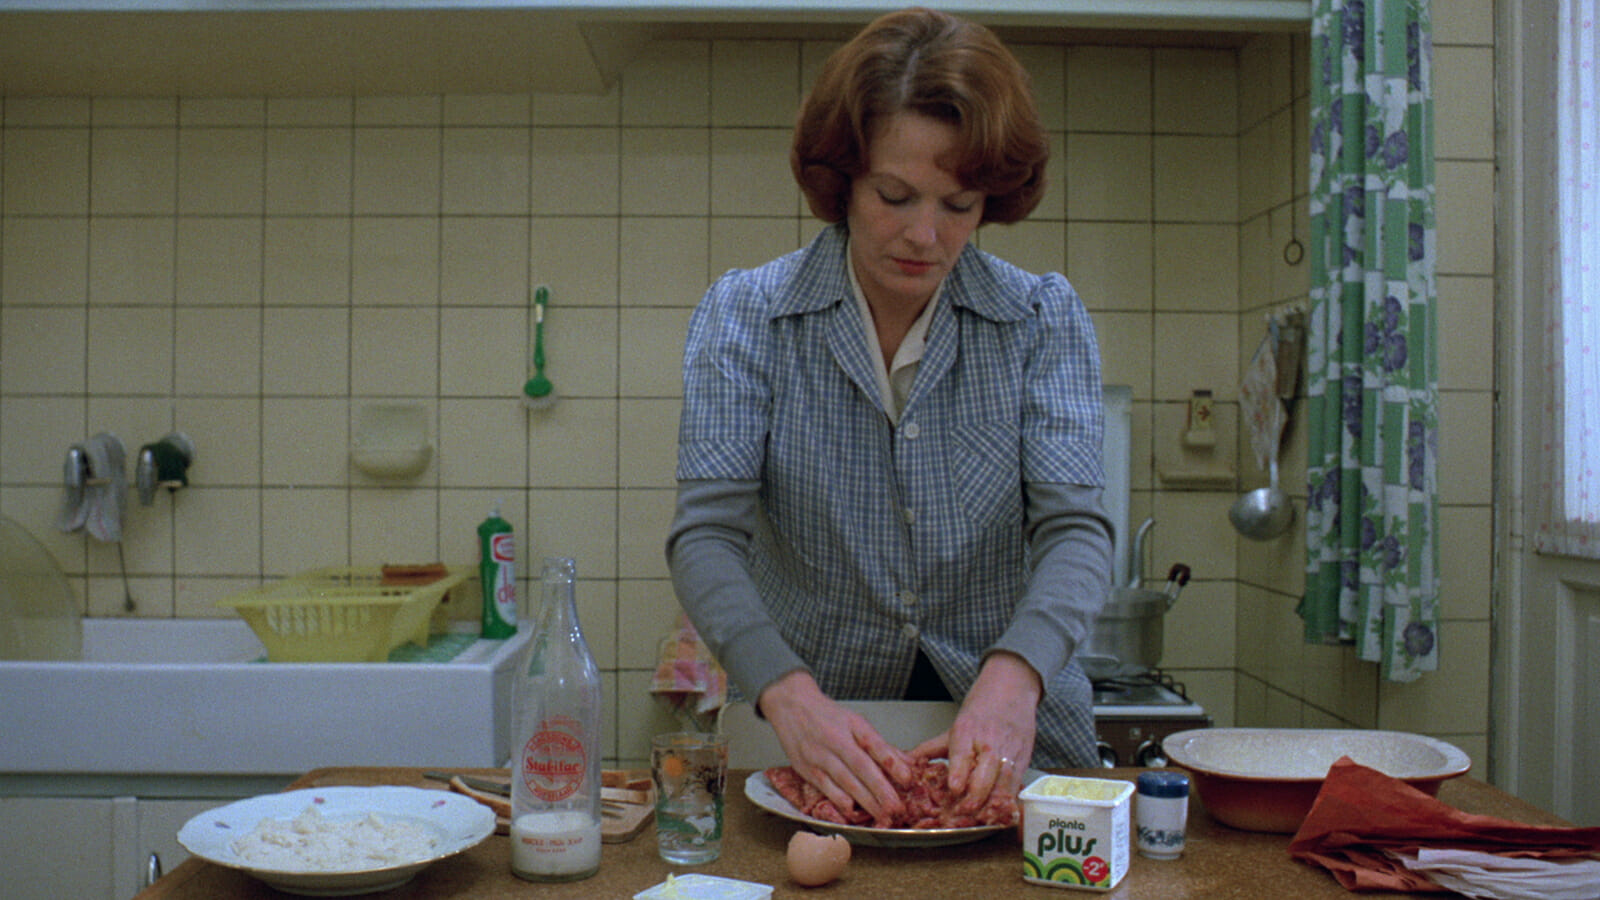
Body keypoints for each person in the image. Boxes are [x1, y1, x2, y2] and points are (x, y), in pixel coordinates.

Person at [665, 6, 1114, 826]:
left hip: (1006, 735)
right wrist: (787, 694)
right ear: (842, 179)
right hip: (812, 736)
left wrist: (1015, 678)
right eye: (895, 195)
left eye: (961, 203)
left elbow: (1076, 532)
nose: (925, 234)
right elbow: (706, 537)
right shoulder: (747, 316)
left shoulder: (1041, 319)